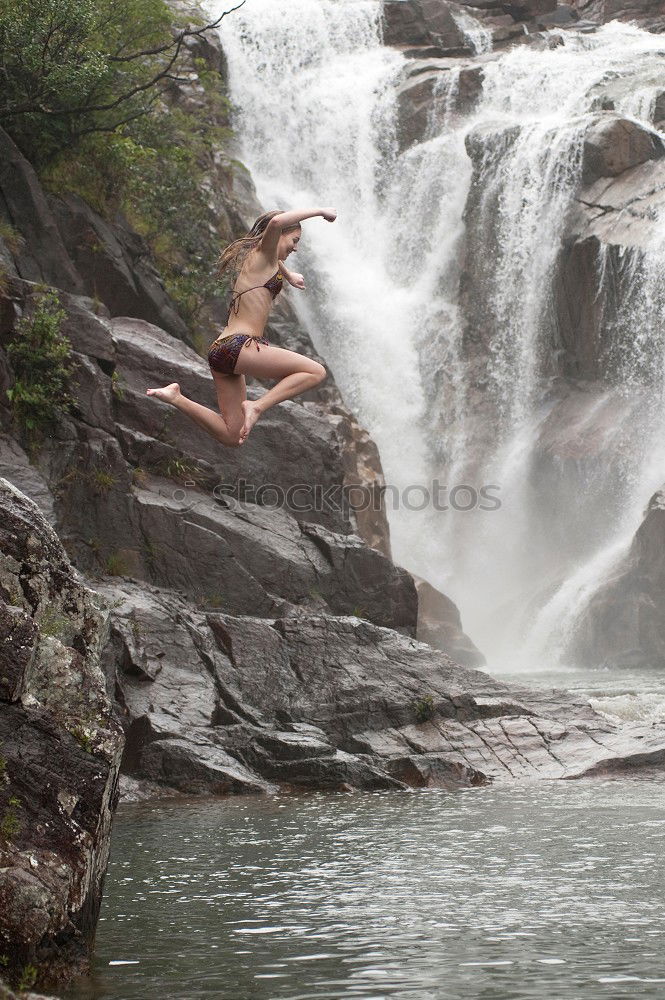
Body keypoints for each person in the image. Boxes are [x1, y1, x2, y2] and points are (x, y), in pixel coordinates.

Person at [146, 207, 336, 445]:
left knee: (232, 436)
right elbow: (276, 222)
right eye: (294, 240)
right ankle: (258, 407)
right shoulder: (264, 253)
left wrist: (288, 275)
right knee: (315, 371)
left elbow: (274, 258)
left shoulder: (260, 259)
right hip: (241, 346)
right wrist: (320, 211)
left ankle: (176, 398)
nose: (295, 247)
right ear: (280, 235)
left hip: (222, 351)